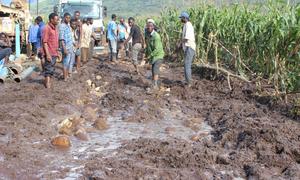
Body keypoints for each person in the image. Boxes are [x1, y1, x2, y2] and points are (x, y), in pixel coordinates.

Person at [145, 22, 164, 91]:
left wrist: (150, 56)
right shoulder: (148, 35)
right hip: (153, 56)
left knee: (155, 70)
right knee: (153, 71)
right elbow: (148, 47)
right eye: (148, 26)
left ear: (153, 27)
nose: (149, 27)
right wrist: (146, 54)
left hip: (158, 55)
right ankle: (154, 84)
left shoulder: (156, 36)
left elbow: (157, 49)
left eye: (150, 26)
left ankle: (155, 86)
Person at [42, 13, 59, 88]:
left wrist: (57, 51)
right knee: (48, 68)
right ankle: (47, 85)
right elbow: (45, 42)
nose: (58, 21)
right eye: (56, 19)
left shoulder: (55, 28)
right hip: (49, 52)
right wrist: (48, 54)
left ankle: (47, 82)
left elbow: (55, 41)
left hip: (54, 52)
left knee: (51, 68)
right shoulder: (47, 28)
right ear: (51, 20)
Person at [179, 12, 196, 87]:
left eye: (181, 18)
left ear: (185, 18)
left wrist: (179, 43)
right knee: (186, 64)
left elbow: (187, 38)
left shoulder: (188, 25)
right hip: (187, 47)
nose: (181, 19)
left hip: (190, 47)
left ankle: (189, 82)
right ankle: (187, 81)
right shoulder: (186, 25)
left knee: (187, 64)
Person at [59, 13, 74, 81]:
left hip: (70, 46)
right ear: (64, 17)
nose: (68, 19)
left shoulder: (67, 25)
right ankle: (65, 78)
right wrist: (64, 49)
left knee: (68, 62)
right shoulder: (62, 26)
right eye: (67, 18)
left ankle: (66, 75)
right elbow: (61, 39)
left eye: (69, 18)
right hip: (66, 47)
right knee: (65, 62)